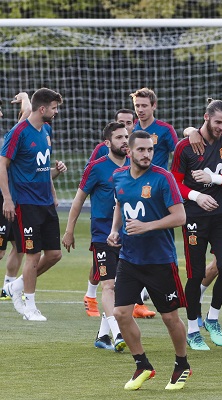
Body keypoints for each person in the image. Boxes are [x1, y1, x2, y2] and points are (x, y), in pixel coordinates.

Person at [108, 130, 190, 390]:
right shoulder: (118, 177)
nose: (146, 154)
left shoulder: (163, 178)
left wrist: (147, 226)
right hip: (129, 258)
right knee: (120, 313)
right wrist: (114, 230)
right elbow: (120, 204)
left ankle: (182, 364)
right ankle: (142, 364)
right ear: (129, 152)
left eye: (150, 150)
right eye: (141, 150)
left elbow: (180, 217)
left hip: (160, 261)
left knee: (169, 318)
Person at [171, 98, 222, 350]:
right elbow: (175, 183)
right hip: (194, 217)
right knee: (196, 274)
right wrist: (197, 196)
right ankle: (192, 330)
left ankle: (212, 318)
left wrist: (216, 178)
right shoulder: (185, 148)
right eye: (218, 122)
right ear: (206, 117)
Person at [82, 108, 156, 319]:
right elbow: (84, 190)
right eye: (120, 132)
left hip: (130, 227)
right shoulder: (100, 159)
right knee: (109, 280)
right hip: (103, 227)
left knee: (124, 272)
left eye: (127, 129)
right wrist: (70, 229)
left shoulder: (139, 157)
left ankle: (111, 327)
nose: (125, 137)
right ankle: (95, 302)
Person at [62, 121, 129, 352]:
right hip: (102, 235)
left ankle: (103, 336)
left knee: (121, 286)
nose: (124, 141)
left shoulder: (134, 166)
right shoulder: (97, 167)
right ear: (108, 143)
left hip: (128, 235)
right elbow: (79, 199)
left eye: (126, 136)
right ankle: (119, 333)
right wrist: (69, 230)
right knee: (109, 285)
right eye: (119, 137)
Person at [0, 88, 64, 321]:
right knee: (33, 256)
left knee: (55, 254)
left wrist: (54, 191)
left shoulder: (45, 129)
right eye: (54, 108)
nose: (56, 112)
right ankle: (30, 307)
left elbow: (42, 166)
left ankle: (15, 286)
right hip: (25, 204)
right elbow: (2, 165)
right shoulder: (18, 132)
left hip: (45, 201)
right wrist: (7, 198)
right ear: (42, 108)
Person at [0, 93, 31, 301]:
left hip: (10, 196)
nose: (1, 113)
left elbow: (27, 114)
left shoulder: (6, 137)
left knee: (19, 247)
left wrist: (26, 98)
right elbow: (28, 112)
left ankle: (7, 288)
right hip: (4, 197)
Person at [130, 87, 178, 170]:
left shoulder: (166, 129)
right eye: (137, 106)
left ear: (154, 106)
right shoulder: (130, 127)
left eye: (144, 106)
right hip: (134, 179)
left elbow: (178, 156)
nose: (140, 110)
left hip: (157, 180)